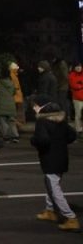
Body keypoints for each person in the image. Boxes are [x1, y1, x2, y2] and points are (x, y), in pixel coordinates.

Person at [31, 93, 79, 231]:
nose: (34, 108)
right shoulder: (60, 118)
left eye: (34, 106)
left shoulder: (42, 121)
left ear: (40, 106)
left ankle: (70, 217)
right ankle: (50, 210)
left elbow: (42, 140)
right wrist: (59, 142)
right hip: (61, 157)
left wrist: (33, 141)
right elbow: (72, 135)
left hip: (50, 159)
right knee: (52, 185)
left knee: (54, 188)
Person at [67, 61, 83, 138]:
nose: (78, 68)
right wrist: (80, 85)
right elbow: (74, 85)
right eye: (77, 67)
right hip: (77, 98)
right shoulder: (71, 75)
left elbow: (78, 85)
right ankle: (78, 129)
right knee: (78, 114)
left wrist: (80, 84)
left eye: (79, 66)